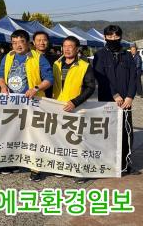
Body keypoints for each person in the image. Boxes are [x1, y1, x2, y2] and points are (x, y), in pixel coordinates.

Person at [0, 29, 53, 182]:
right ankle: (12, 162)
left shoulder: (38, 57)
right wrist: (2, 86)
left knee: (34, 135)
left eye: (21, 42)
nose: (18, 45)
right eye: (14, 43)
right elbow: (0, 76)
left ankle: (36, 167)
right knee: (12, 133)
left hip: (33, 103)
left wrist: (36, 88)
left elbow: (49, 79)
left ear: (28, 43)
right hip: (12, 103)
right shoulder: (8, 56)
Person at [93, 25, 139, 176]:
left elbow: (133, 77)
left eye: (116, 36)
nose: (113, 39)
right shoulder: (100, 55)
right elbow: (100, 77)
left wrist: (130, 96)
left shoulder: (127, 55)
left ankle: (125, 164)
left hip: (125, 102)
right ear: (104, 37)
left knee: (126, 132)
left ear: (120, 37)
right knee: (107, 132)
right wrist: (114, 94)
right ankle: (107, 162)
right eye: (110, 36)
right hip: (107, 100)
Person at [52, 36, 96, 183]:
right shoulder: (56, 64)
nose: (67, 49)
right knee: (60, 139)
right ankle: (63, 166)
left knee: (78, 140)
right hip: (58, 107)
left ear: (77, 49)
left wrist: (75, 102)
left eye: (70, 46)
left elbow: (90, 87)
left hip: (76, 108)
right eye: (64, 46)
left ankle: (81, 171)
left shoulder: (84, 66)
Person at [32, 31, 59, 99]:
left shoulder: (56, 59)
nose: (42, 43)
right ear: (34, 42)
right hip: (33, 93)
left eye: (44, 40)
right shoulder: (29, 57)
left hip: (51, 95)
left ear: (48, 42)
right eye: (39, 40)